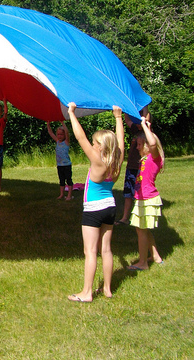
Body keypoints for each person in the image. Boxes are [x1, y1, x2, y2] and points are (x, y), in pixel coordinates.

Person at [67, 103, 124, 302]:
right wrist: (118, 117)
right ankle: (107, 289)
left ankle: (87, 293)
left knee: (90, 251)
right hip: (110, 207)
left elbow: (79, 137)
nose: (92, 145)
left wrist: (72, 114)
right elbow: (120, 143)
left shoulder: (97, 161)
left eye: (95, 143)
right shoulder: (117, 160)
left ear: (100, 146)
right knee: (106, 249)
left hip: (93, 209)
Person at [127, 117, 165, 270]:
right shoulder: (145, 158)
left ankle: (142, 263)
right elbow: (151, 141)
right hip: (143, 198)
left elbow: (153, 142)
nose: (137, 147)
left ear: (149, 147)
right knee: (143, 228)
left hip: (147, 199)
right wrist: (145, 129)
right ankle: (155, 256)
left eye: (140, 145)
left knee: (141, 230)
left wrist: (144, 125)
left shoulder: (154, 158)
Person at [116, 107, 152, 225]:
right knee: (128, 193)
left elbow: (146, 117)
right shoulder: (135, 131)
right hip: (131, 166)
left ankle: (140, 217)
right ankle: (125, 218)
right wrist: (126, 107)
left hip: (141, 168)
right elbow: (127, 120)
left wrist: (145, 107)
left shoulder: (146, 133)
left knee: (139, 193)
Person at [46, 121, 74, 201]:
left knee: (68, 180)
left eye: (61, 134)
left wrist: (62, 123)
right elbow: (51, 133)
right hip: (60, 165)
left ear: (64, 135)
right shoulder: (57, 141)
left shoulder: (66, 142)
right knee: (61, 181)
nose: (59, 136)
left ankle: (69, 195)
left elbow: (67, 132)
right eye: (58, 134)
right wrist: (48, 124)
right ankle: (61, 194)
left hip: (67, 165)